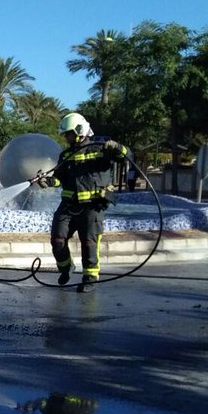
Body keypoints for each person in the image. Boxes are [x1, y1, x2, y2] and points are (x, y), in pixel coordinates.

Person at [34, 112, 130, 293]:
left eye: (69, 133)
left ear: (79, 131)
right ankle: (66, 268)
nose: (67, 137)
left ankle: (90, 278)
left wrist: (118, 147)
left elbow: (125, 157)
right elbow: (58, 179)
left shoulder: (101, 150)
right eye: (66, 134)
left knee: (89, 243)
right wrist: (47, 182)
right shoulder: (66, 155)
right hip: (69, 207)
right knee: (57, 239)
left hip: (93, 207)